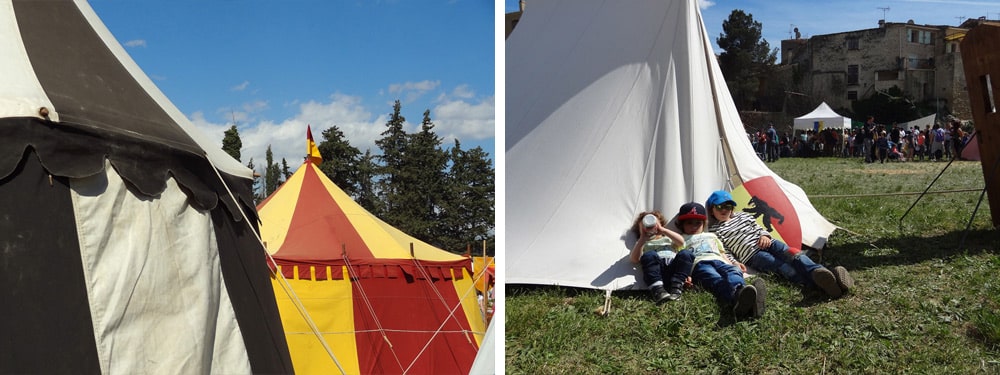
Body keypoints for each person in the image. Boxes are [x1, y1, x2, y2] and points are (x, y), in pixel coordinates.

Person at [705, 190, 854, 299]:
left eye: (728, 206)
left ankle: (821, 272)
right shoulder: (715, 230)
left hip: (769, 242)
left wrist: (764, 235)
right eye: (719, 207)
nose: (724, 210)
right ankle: (821, 284)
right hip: (753, 255)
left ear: (733, 208)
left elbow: (759, 228)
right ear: (712, 210)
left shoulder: (743, 215)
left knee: (796, 255)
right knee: (783, 268)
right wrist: (734, 262)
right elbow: (724, 250)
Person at [674, 202, 765, 319]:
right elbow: (681, 259)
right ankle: (743, 301)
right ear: (681, 224)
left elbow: (722, 253)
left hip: (719, 261)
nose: (694, 226)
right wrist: (685, 275)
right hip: (699, 264)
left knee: (733, 271)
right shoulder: (680, 239)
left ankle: (740, 292)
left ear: (704, 223)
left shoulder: (711, 235)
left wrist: (734, 263)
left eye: (698, 223)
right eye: (689, 223)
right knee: (714, 278)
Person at [630, 211, 694, 303]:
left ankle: (676, 286)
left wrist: (663, 230)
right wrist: (642, 238)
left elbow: (681, 242)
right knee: (649, 255)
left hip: (673, 270)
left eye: (654, 224)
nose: (650, 228)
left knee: (686, 254)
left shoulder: (668, 239)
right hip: (657, 272)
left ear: (661, 225)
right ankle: (657, 289)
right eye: (645, 227)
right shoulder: (643, 243)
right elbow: (634, 259)